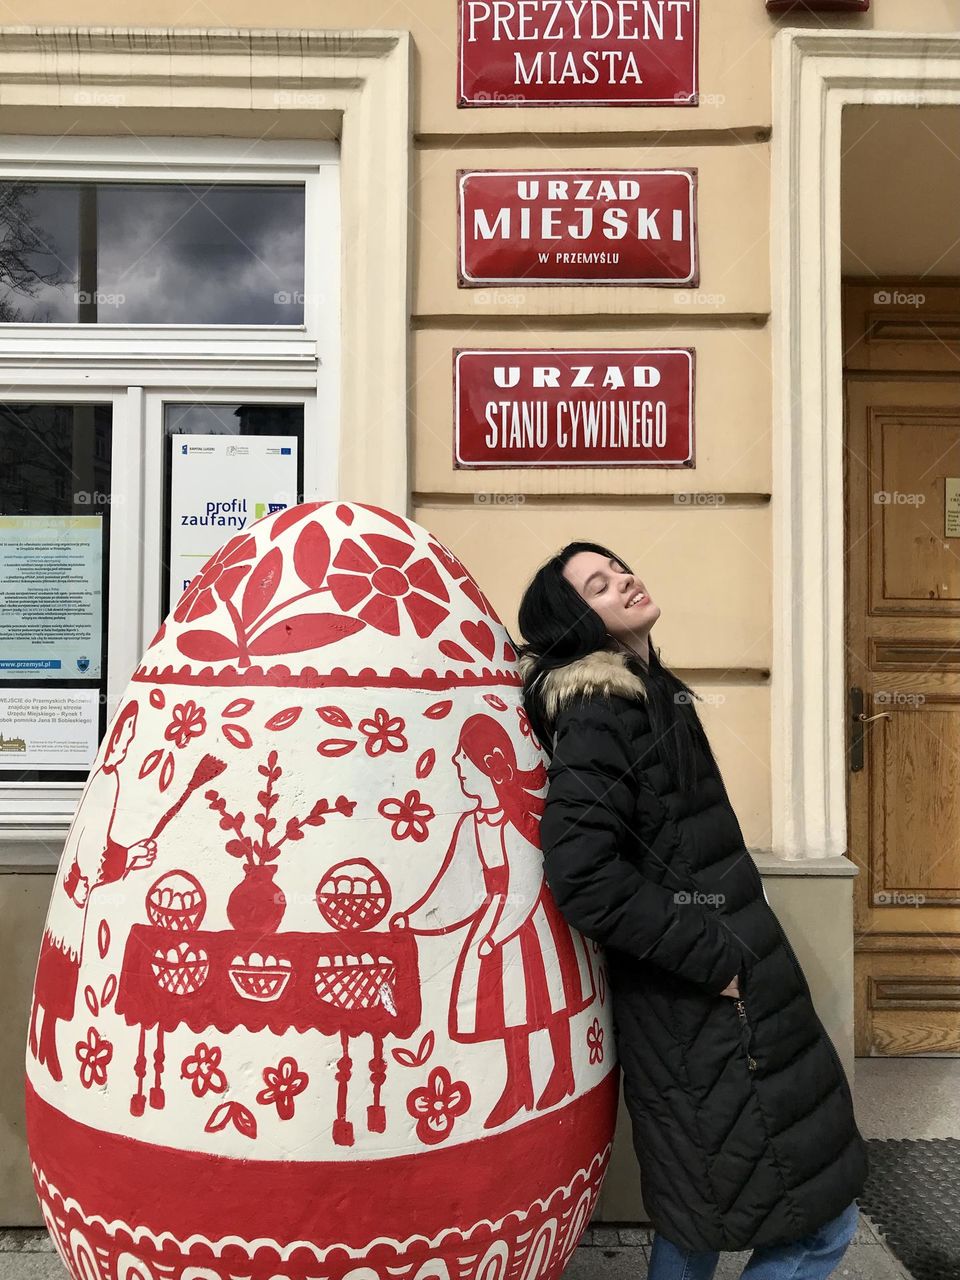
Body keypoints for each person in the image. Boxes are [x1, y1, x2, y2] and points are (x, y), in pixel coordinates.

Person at [515, 540, 868, 1280]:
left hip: (708, 1003)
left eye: (619, 569)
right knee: (819, 1230)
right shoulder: (601, 709)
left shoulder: (647, 688)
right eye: (600, 585)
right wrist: (718, 961)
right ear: (579, 621)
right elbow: (582, 873)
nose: (625, 581)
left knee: (693, 1213)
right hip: (705, 1006)